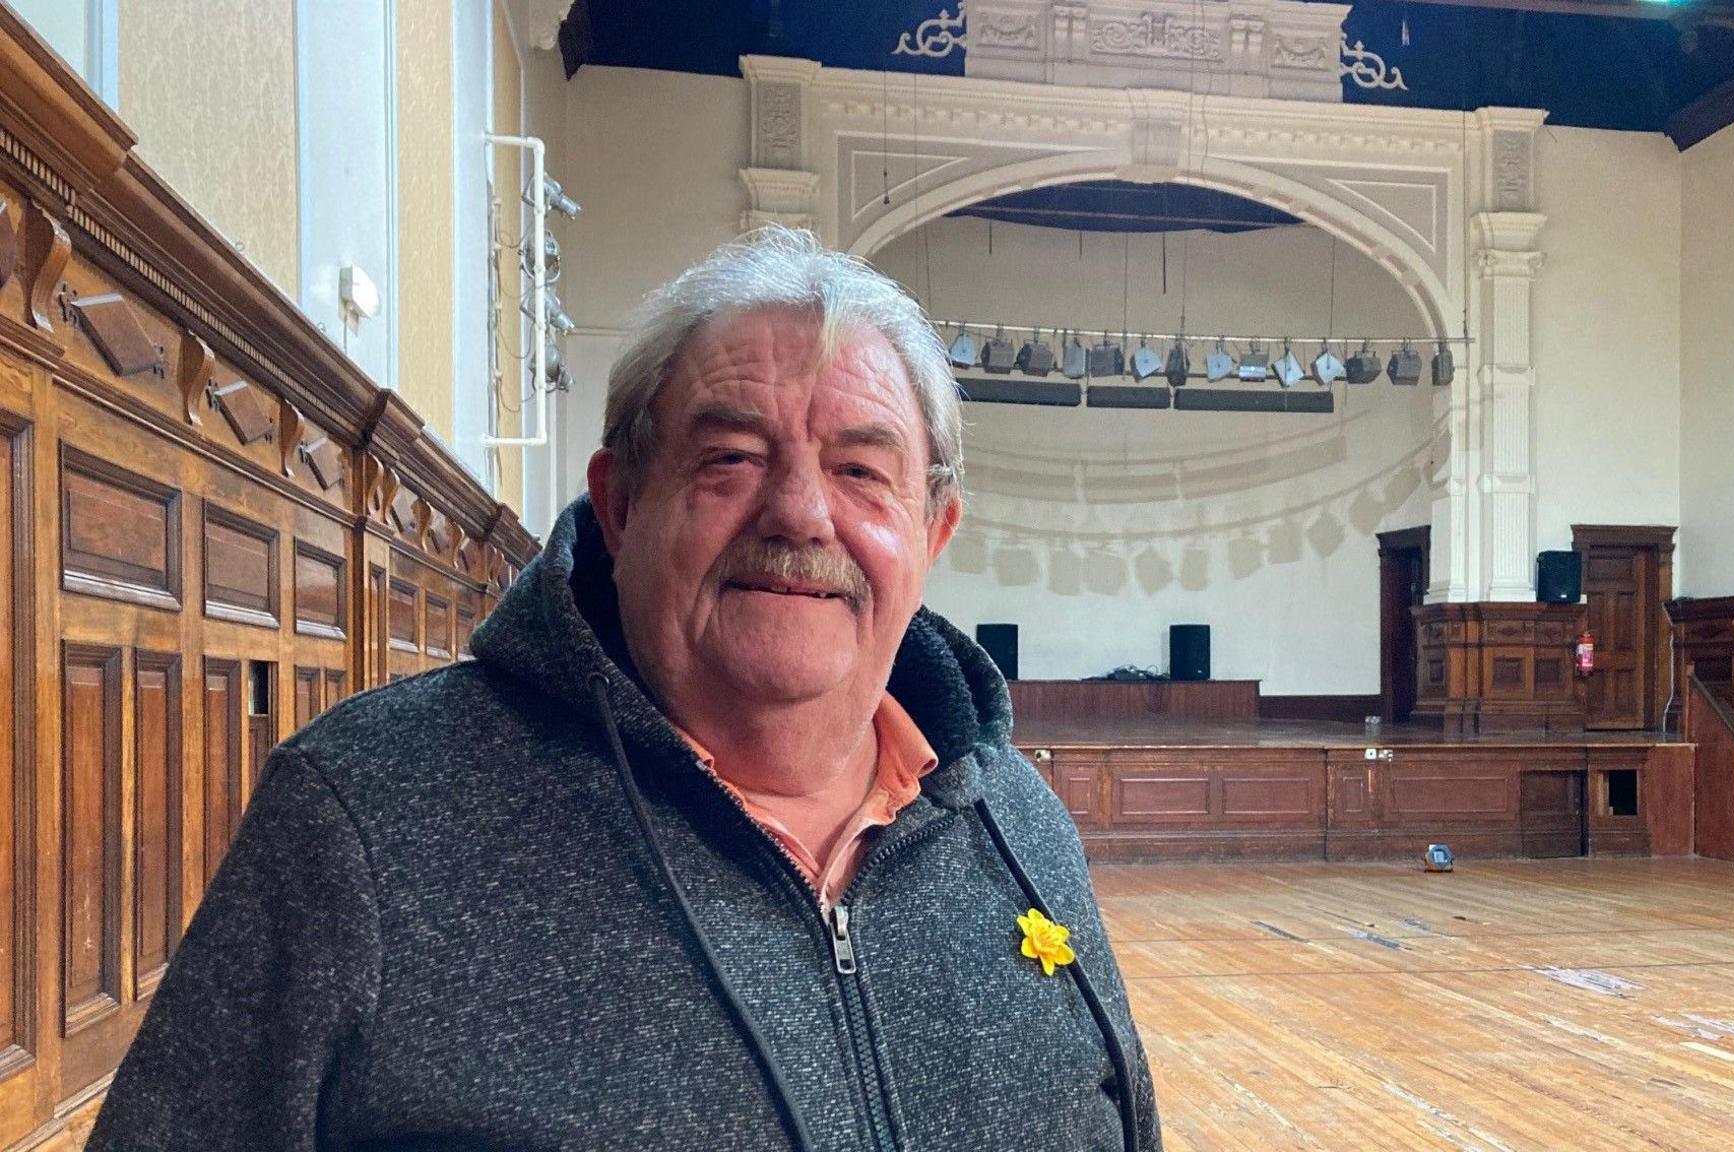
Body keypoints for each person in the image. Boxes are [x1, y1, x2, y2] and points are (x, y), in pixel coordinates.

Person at [86, 226, 1160, 1151]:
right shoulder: (365, 814)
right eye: (730, 457)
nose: (797, 513)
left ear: (930, 533)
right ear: (618, 502)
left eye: (859, 471)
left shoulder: (1017, 821)